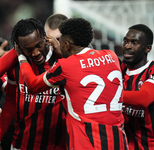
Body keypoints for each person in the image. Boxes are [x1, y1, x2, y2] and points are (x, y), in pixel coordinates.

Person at [16, 18, 128, 150]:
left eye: (61, 41)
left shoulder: (65, 66)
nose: (58, 44)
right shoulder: (111, 56)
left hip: (86, 143)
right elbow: (86, 68)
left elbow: (33, 85)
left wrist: (21, 57)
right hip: (118, 141)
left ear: (67, 44)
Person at [0, 18, 66, 150]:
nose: (36, 53)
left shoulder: (62, 61)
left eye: (39, 45)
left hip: (57, 146)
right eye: (28, 49)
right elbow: (11, 100)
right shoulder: (15, 64)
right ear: (19, 48)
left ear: (45, 38)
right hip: (21, 145)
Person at [121, 24, 154, 150]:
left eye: (134, 43)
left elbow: (144, 98)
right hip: (128, 145)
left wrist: (108, 94)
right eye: (125, 41)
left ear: (147, 48)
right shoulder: (119, 69)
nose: (127, 46)